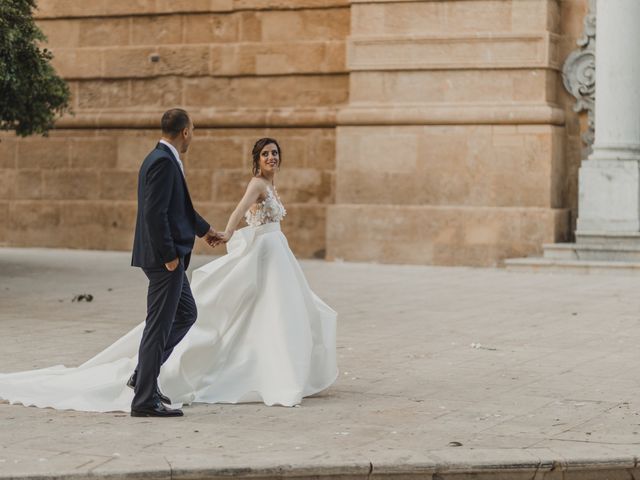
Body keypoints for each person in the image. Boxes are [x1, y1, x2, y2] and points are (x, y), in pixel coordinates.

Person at [0, 137, 337, 414]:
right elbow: (232, 210)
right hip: (252, 255)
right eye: (266, 153)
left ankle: (149, 377)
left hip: (277, 254)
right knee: (224, 313)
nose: (272, 157)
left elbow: (185, 210)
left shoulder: (269, 184)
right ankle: (147, 382)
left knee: (275, 313)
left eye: (275, 153)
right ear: (257, 159)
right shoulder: (251, 182)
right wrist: (226, 234)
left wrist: (208, 233)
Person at [129, 108, 222, 417]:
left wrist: (206, 231)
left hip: (169, 259)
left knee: (186, 313)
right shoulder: (162, 163)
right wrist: (170, 257)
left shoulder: (164, 159)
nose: (191, 136)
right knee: (158, 327)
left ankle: (143, 375)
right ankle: (144, 400)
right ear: (185, 131)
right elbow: (155, 215)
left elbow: (179, 208)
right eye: (192, 131)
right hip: (163, 260)